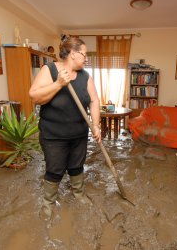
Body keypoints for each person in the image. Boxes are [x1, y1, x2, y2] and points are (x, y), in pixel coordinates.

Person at [29, 36, 101, 220]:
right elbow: (35, 96)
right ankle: (48, 203)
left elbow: (94, 100)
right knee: (55, 169)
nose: (86, 58)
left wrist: (96, 125)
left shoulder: (85, 76)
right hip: (53, 135)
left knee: (77, 166)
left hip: (79, 134)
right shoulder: (50, 69)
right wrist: (58, 84)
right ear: (73, 54)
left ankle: (79, 194)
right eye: (84, 54)